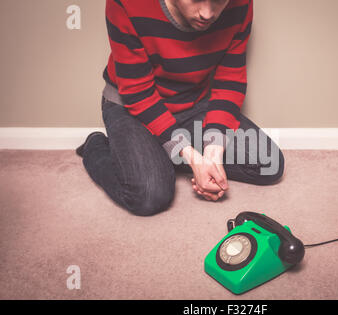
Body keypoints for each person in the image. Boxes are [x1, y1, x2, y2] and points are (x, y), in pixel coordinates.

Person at [76, 0, 284, 216]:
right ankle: (96, 146)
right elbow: (138, 91)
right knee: (149, 196)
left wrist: (213, 152)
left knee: (268, 163)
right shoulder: (126, 3)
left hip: (191, 103)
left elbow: (230, 77)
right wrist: (192, 158)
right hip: (132, 106)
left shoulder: (240, 3)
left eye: (219, 1)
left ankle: (163, 153)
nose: (207, 14)